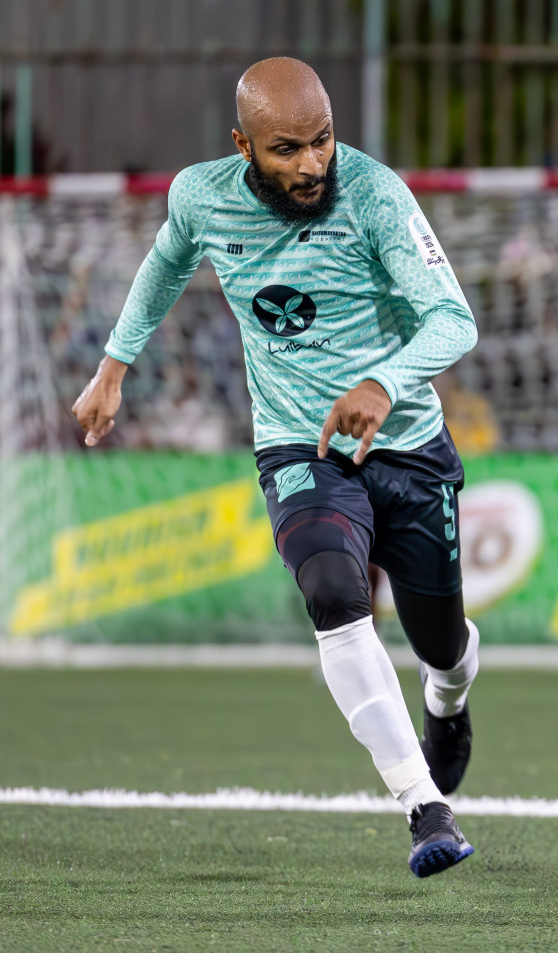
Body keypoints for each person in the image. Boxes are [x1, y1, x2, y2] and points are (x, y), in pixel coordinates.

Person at [70, 58, 482, 878]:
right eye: (287, 149)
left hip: (407, 448)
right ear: (244, 146)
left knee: (439, 641)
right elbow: (165, 264)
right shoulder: (199, 195)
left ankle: (452, 695)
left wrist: (382, 383)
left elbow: (453, 320)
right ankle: (422, 803)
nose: (311, 165)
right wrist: (115, 365)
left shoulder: (375, 194)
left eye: (322, 141)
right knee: (332, 591)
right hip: (300, 444)